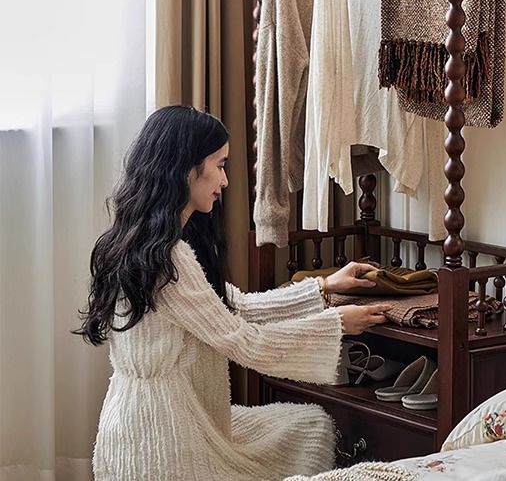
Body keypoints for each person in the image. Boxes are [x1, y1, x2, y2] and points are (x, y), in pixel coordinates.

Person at [76, 104, 391, 481]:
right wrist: (335, 323)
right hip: (164, 441)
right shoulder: (169, 259)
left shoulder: (136, 241)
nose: (225, 181)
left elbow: (231, 307)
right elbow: (243, 341)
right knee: (309, 427)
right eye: (220, 165)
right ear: (185, 168)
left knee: (307, 423)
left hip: (135, 425)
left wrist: (323, 288)